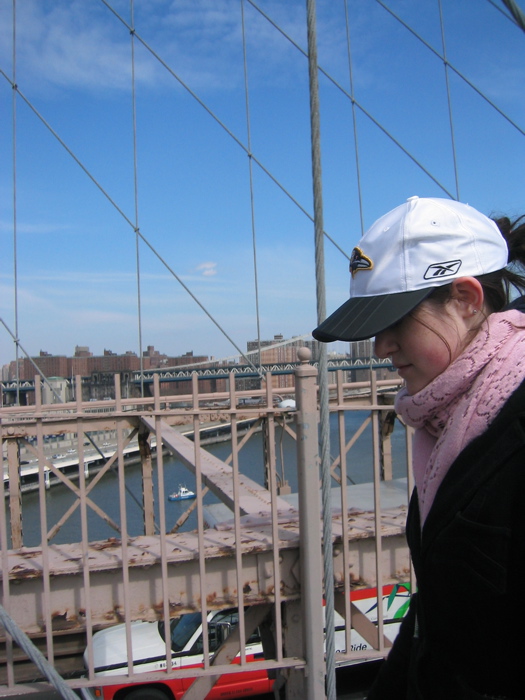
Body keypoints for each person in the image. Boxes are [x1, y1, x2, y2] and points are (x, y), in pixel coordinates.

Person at [313, 196, 525, 700]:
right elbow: (438, 620)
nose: (381, 347)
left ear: (467, 298)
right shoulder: (448, 425)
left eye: (396, 321)